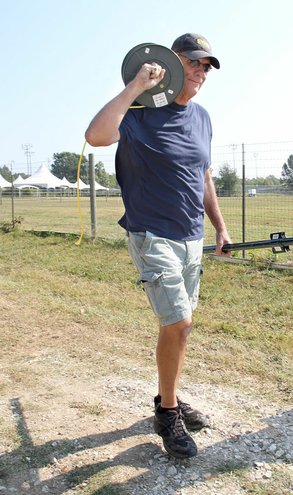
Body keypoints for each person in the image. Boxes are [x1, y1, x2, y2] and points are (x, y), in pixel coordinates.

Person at [85, 33, 231, 458]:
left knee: (178, 328)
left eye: (207, 66)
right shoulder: (137, 113)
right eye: (194, 63)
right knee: (179, 323)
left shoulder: (202, 118)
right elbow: (95, 136)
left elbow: (204, 177)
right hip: (151, 233)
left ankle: (170, 396)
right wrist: (137, 86)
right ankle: (168, 414)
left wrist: (219, 228)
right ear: (169, 62)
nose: (202, 72)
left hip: (191, 236)